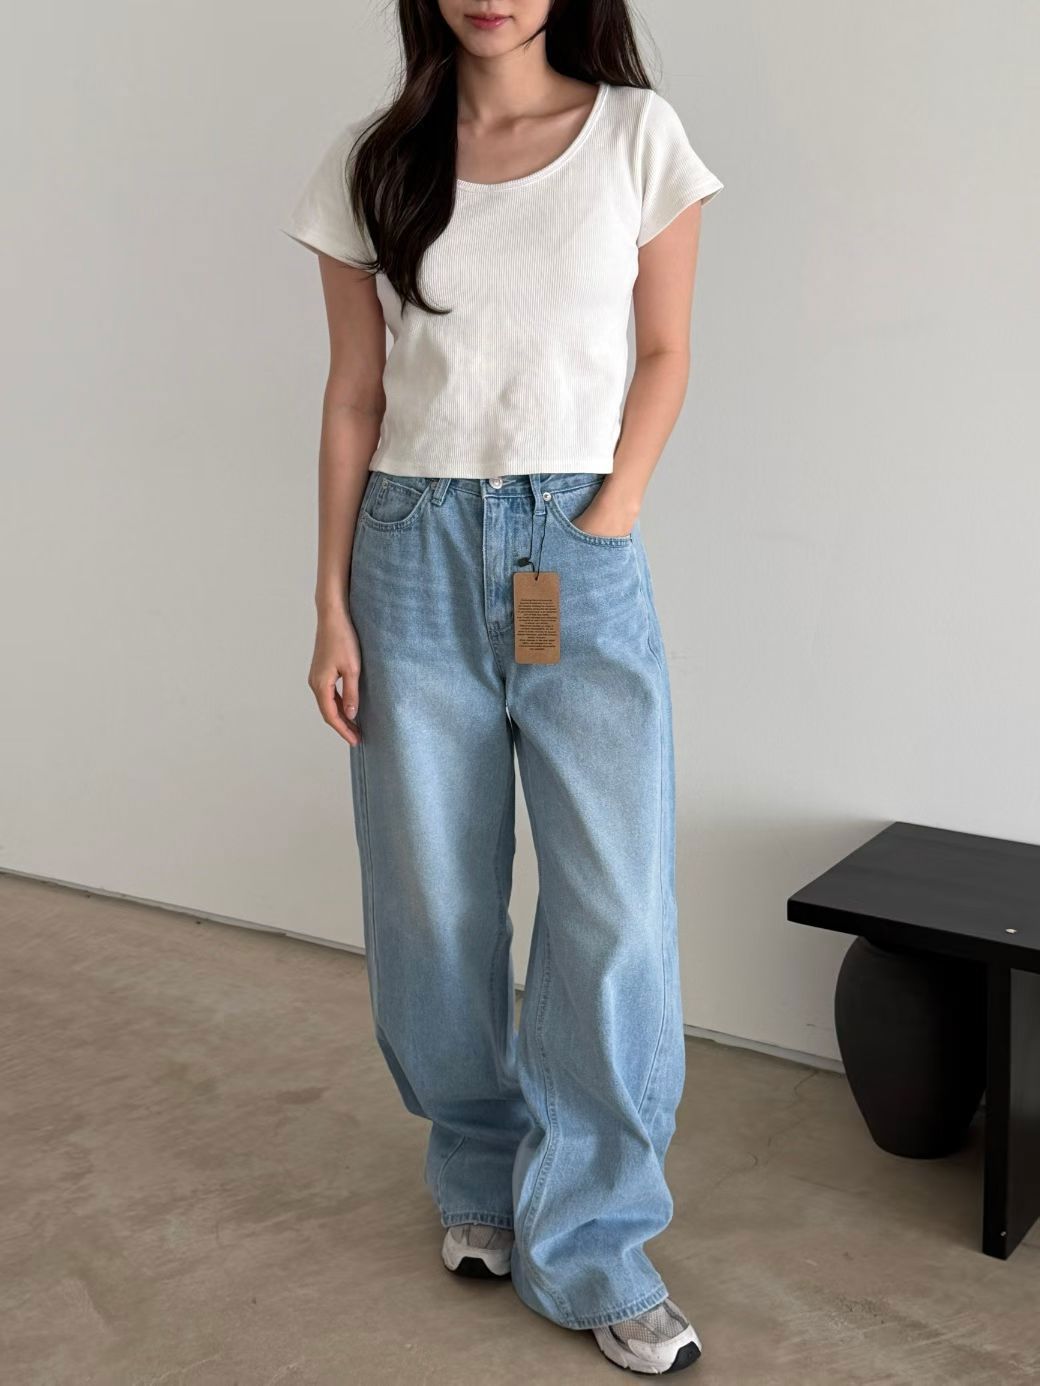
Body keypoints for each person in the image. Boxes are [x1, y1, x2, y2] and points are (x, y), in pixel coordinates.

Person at [281, 1, 723, 1373]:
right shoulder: (376, 161)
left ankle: (595, 1239)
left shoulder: (637, 136)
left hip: (576, 548)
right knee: (432, 897)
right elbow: (355, 393)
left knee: (615, 906)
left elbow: (666, 351)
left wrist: (609, 513)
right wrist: (330, 602)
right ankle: (478, 1166)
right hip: (410, 554)